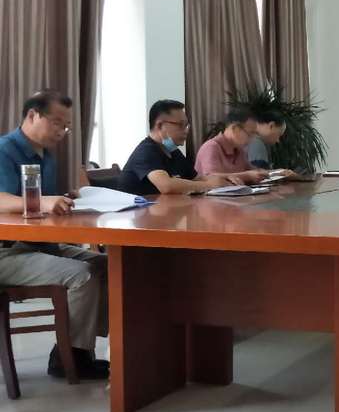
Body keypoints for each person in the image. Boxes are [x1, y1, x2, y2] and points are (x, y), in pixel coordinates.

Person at [0, 92, 109, 380]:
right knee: (83, 274)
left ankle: (82, 347)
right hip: (7, 251)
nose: (62, 131)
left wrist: (65, 198)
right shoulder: (4, 150)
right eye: (57, 122)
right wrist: (43, 201)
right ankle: (67, 356)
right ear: (32, 115)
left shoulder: (46, 157)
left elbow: (39, 205)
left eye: (67, 125)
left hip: (37, 245)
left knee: (108, 266)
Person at [118, 100, 244, 196]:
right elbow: (166, 185)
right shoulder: (146, 151)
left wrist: (224, 179)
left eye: (187, 126)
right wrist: (209, 185)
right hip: (136, 217)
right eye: (180, 125)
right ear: (160, 126)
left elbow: (197, 178)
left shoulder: (171, 150)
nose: (186, 131)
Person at [194, 108, 269, 183]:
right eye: (250, 134)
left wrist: (262, 173)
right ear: (235, 129)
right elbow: (210, 177)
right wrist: (247, 176)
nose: (252, 139)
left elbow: (252, 170)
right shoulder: (211, 147)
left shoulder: (238, 149)